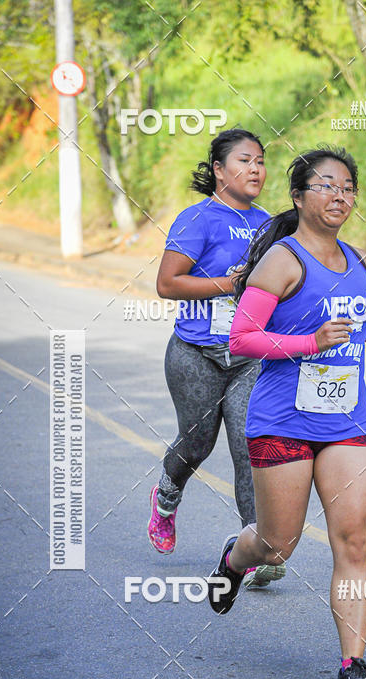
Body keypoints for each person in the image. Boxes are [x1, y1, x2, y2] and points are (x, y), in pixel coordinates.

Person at [207, 146, 366, 679]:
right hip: (282, 419)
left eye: (348, 187)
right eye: (327, 185)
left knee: (352, 541)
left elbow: (365, 325)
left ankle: (352, 667)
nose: (340, 196)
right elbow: (241, 338)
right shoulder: (281, 261)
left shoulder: (356, 259)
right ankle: (236, 559)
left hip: (347, 420)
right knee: (278, 545)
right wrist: (308, 342)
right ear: (300, 196)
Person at [148, 128, 286, 589]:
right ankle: (167, 499)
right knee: (197, 444)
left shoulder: (270, 224)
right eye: (244, 161)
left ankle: (260, 549)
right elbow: (168, 284)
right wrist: (232, 284)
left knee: (250, 448)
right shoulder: (197, 219)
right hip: (196, 355)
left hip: (248, 357)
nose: (255, 170)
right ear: (219, 170)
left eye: (261, 162)